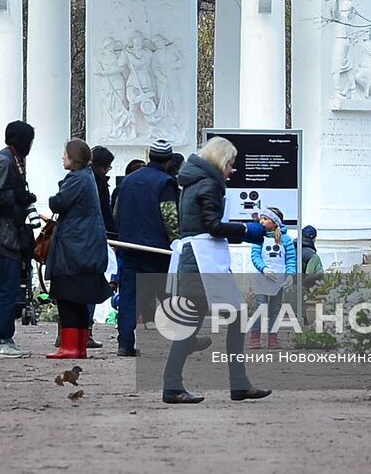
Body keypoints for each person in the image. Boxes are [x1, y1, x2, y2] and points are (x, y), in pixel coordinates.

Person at [162, 137, 269, 404]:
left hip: (196, 259)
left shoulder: (192, 181)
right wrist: (248, 230)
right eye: (231, 164)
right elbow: (212, 225)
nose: (232, 170)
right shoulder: (209, 184)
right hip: (203, 261)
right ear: (221, 161)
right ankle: (179, 386)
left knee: (203, 321)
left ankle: (233, 383)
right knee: (213, 321)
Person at [45, 139, 113, 359]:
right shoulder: (89, 178)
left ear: (74, 157)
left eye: (65, 154)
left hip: (74, 249)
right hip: (85, 246)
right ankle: (80, 345)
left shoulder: (76, 179)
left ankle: (70, 346)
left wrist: (51, 198)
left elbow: (58, 203)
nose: (62, 158)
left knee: (67, 298)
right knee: (80, 299)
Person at [112, 137, 179, 357]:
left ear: (149, 156)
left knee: (129, 297)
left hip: (129, 246)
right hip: (157, 250)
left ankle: (125, 343)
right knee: (168, 294)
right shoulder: (166, 182)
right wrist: (176, 241)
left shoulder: (129, 180)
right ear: (168, 161)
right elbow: (169, 216)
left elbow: (117, 213)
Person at [0, 120, 37, 358]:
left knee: (11, 286)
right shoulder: (5, 162)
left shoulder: (12, 160)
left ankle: (4, 335)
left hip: (9, 233)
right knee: (7, 287)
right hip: (4, 235)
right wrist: (18, 196)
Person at [248, 207, 297, 349]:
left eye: (266, 219)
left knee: (275, 309)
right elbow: (255, 256)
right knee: (260, 307)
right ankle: (255, 337)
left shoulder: (286, 240)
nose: (262, 222)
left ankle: (273, 338)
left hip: (279, 280)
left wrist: (290, 275)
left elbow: (291, 259)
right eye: (261, 218)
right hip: (263, 278)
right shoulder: (259, 238)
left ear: (275, 223)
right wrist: (263, 269)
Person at [87, 146, 117, 349]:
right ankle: (85, 331)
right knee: (91, 287)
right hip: (95, 241)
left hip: (79, 241)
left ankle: (70, 332)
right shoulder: (98, 185)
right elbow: (105, 214)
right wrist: (114, 238)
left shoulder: (79, 179)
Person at [300, 225, 324, 290]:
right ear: (314, 239)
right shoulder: (313, 256)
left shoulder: (290, 250)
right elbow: (312, 276)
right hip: (303, 294)